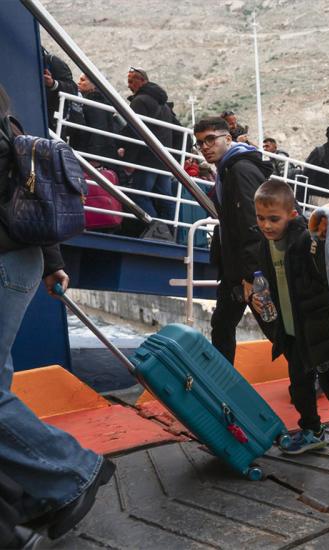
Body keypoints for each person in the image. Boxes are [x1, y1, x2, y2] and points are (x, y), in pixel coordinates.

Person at [0, 85, 115, 544]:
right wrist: (52, 263)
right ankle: (30, 491)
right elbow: (29, 199)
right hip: (20, 261)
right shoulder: (10, 126)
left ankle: (73, 472)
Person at [248, 179, 329, 454]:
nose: (266, 225)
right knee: (299, 383)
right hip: (291, 329)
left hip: (316, 326)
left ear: (292, 215)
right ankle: (311, 429)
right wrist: (257, 297)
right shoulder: (264, 244)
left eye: (273, 219)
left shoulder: (306, 241)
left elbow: (328, 277)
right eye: (260, 218)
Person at [193, 117, 272, 364]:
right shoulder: (227, 170)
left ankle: (317, 377)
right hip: (234, 267)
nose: (205, 147)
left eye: (210, 139)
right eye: (199, 143)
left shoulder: (240, 171)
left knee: (272, 324)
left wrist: (252, 275)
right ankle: (222, 380)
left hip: (249, 268)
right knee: (223, 323)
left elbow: (253, 224)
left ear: (227, 139)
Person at [117, 67, 175, 222]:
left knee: (139, 196)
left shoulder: (140, 101)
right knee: (165, 197)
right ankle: (169, 231)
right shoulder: (163, 104)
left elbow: (135, 131)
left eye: (131, 81)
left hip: (147, 157)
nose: (129, 85)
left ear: (142, 81)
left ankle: (158, 230)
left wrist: (129, 159)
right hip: (164, 157)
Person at [75, 73, 117, 162]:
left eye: (83, 80)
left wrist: (94, 158)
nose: (78, 83)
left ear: (94, 85)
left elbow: (98, 131)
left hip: (94, 157)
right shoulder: (97, 101)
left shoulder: (95, 103)